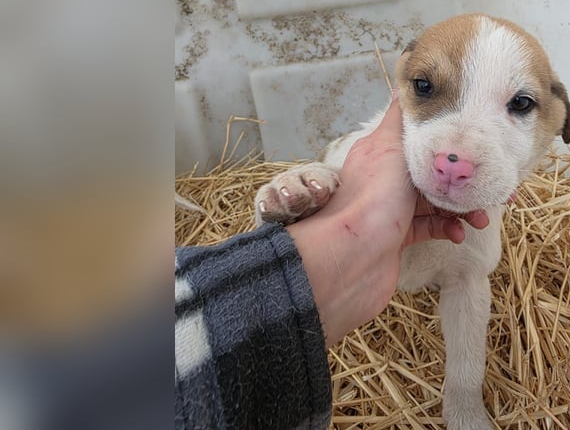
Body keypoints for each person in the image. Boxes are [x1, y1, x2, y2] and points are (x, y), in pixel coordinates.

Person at [174, 91, 489, 429]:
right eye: (425, 88)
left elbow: (468, 280)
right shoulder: (351, 157)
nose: (457, 162)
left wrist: (465, 397)